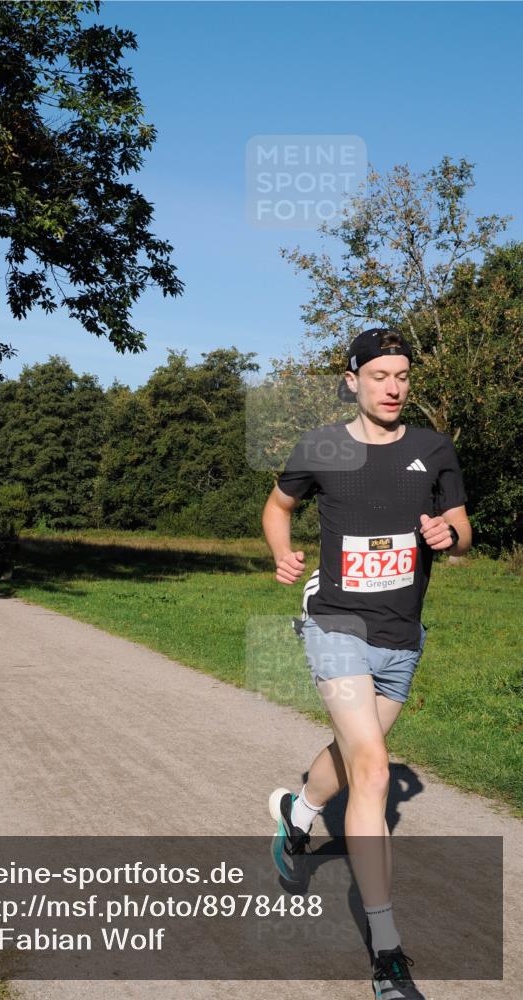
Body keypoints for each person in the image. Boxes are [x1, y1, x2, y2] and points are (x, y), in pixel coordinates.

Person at [262, 328, 471, 1000]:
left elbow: (463, 529)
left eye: (402, 375)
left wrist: (448, 534)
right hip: (336, 624)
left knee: (358, 752)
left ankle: (300, 810)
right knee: (375, 768)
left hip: (401, 633)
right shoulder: (321, 446)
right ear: (352, 381)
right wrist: (282, 553)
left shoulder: (432, 448)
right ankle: (387, 954)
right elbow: (279, 505)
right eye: (379, 375)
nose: (393, 387)